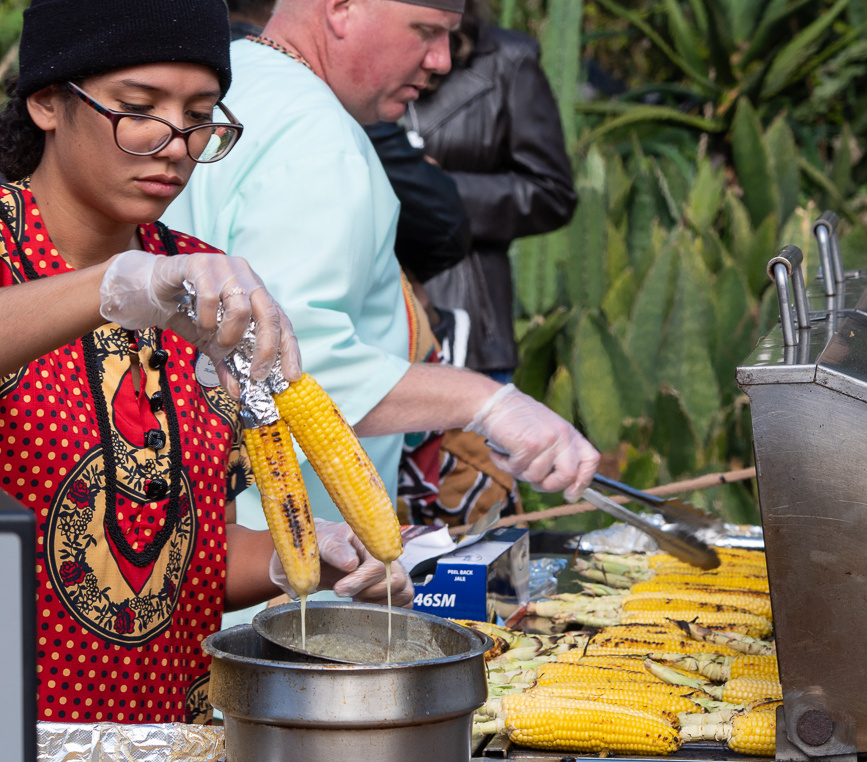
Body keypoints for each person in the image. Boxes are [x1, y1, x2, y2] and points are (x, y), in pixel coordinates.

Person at [0, 0, 411, 725]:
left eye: (199, 118)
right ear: (46, 102)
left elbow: (182, 557)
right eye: (139, 110)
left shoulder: (200, 286)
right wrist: (113, 286)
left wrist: (297, 556)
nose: (174, 145)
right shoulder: (21, 251)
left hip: (168, 727)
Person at [164, 0, 601, 538]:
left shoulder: (228, 87)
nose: (441, 60)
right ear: (342, 9)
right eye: (425, 31)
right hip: (275, 555)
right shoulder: (317, 137)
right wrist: (486, 402)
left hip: (187, 514)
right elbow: (291, 364)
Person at [407, 0, 578, 381]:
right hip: (371, 319)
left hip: (467, 320)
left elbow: (552, 191)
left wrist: (435, 190)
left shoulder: (507, 59)